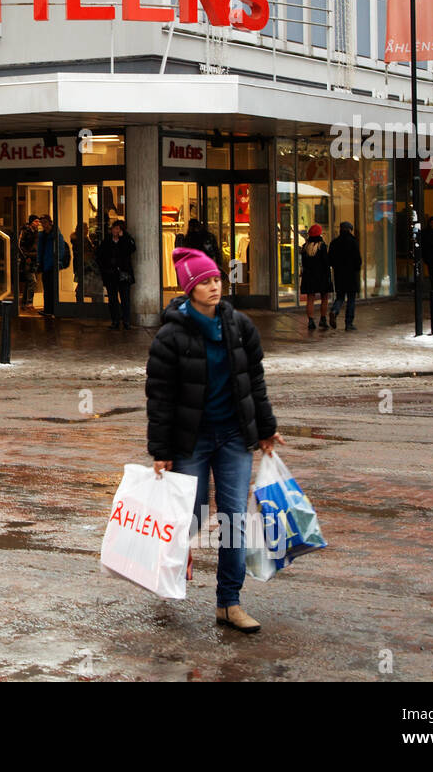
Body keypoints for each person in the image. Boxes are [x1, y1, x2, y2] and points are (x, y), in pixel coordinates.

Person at [146, 247, 284, 634]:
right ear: (189, 288)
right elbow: (159, 398)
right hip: (191, 443)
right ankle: (166, 569)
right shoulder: (170, 338)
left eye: (216, 279)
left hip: (233, 439)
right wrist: (161, 451)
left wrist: (266, 428)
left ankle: (229, 603)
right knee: (189, 520)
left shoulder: (240, 327)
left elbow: (254, 382)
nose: (213, 286)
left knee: (235, 520)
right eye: (205, 281)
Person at [97, 219, 136, 329]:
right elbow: (100, 255)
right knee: (112, 299)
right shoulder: (107, 241)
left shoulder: (127, 240)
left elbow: (131, 249)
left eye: (118, 229)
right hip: (110, 274)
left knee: (125, 299)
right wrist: (104, 268)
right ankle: (115, 321)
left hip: (124, 275)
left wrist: (123, 237)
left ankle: (126, 321)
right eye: (114, 228)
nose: (115, 231)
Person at [327, 221, 362, 331]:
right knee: (351, 299)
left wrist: (337, 266)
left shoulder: (334, 243)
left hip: (339, 275)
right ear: (350, 230)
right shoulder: (353, 242)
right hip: (351, 275)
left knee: (340, 297)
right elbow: (358, 260)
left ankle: (334, 310)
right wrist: (356, 269)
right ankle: (348, 323)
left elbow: (330, 260)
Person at [299, 224, 333, 330]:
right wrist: (328, 276)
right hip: (322, 276)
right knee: (324, 298)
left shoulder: (305, 247)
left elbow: (303, 263)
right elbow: (326, 263)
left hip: (309, 276)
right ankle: (323, 319)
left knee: (310, 299)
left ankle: (311, 321)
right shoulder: (322, 246)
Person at [36, 214, 63, 317]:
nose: (43, 225)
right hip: (45, 265)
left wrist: (58, 262)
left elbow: (60, 249)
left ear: (50, 222)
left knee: (51, 288)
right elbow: (40, 250)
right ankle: (48, 309)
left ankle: (52, 309)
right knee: (47, 288)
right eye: (42, 223)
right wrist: (39, 262)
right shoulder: (43, 235)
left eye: (45, 222)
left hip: (52, 265)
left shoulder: (55, 234)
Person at [18, 215, 39, 308]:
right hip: (26, 259)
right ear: (31, 222)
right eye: (36, 221)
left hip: (32, 259)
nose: (38, 223)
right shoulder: (25, 231)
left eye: (38, 221)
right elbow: (20, 245)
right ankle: (29, 303)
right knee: (32, 280)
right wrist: (26, 257)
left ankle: (24, 301)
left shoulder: (36, 232)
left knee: (29, 281)